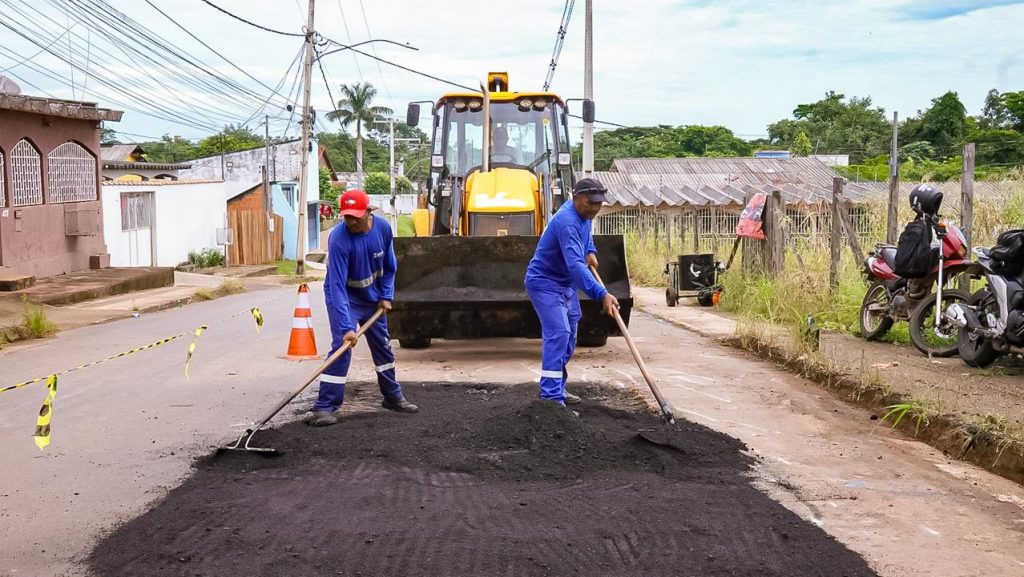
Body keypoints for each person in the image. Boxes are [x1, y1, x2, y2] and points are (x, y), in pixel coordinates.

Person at [307, 189, 418, 426]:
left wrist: (386, 295)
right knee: (342, 346)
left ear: (368, 212)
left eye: (355, 216)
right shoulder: (338, 239)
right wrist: (347, 326)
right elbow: (336, 286)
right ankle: (325, 407)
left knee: (383, 347)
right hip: (345, 298)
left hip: (374, 299)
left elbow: (389, 267)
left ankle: (392, 397)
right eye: (346, 216)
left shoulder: (383, 229)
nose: (350, 221)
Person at [524, 177, 620, 406]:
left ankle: (558, 388)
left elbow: (585, 237)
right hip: (545, 283)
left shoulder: (585, 215)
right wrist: (601, 294)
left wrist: (590, 249)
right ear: (576, 199)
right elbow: (575, 265)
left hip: (565, 285)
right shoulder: (567, 221)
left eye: (599, 203)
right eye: (590, 203)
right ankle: (551, 398)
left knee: (569, 337)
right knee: (558, 334)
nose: (596, 208)